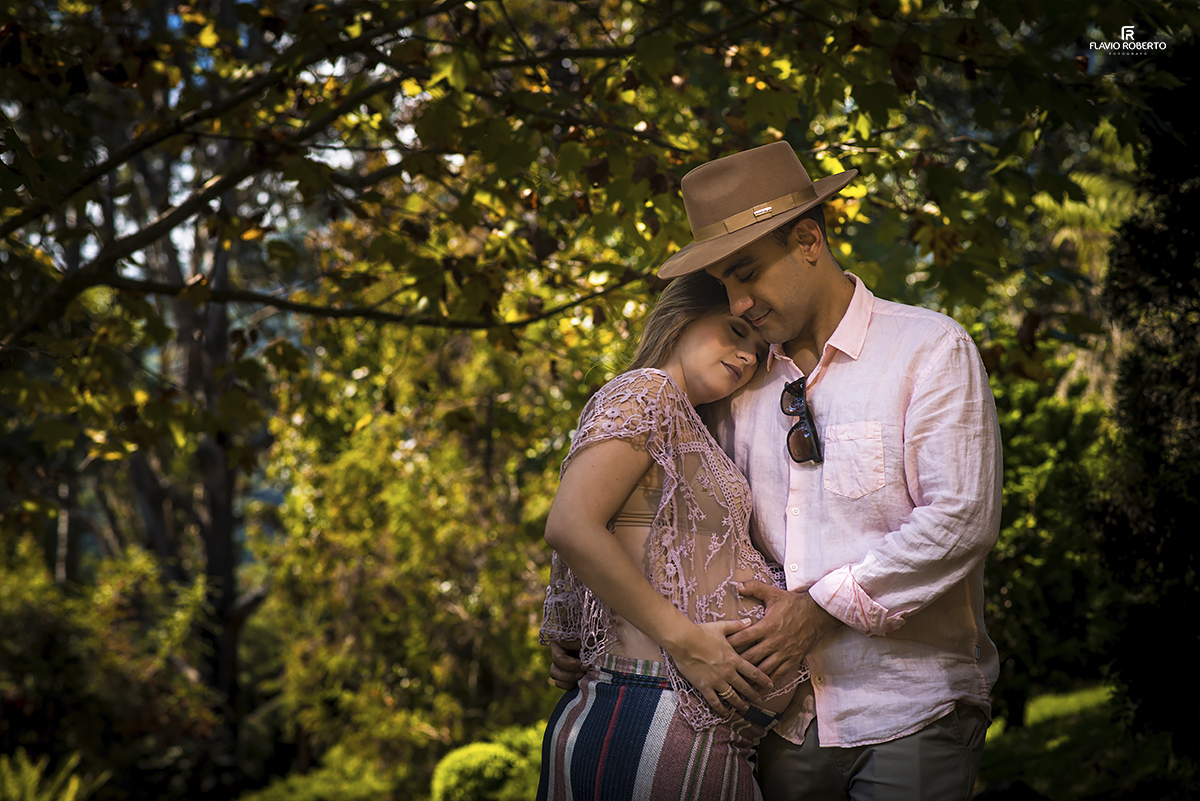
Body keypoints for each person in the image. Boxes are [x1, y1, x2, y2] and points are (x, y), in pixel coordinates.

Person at [551, 141, 1003, 800]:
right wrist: (585, 630)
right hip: (778, 727)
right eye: (725, 287)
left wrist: (819, 610)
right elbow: (656, 520)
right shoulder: (736, 385)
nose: (738, 304)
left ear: (809, 240)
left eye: (746, 274)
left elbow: (960, 520)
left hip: (909, 708)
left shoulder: (927, 349)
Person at [536, 270, 809, 801]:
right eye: (735, 331)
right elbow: (571, 525)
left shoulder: (685, 419)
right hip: (654, 716)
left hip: (679, 722)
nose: (747, 356)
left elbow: (622, 537)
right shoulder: (649, 391)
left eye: (758, 351)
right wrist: (688, 643)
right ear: (683, 317)